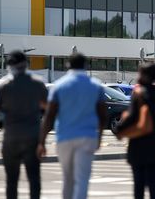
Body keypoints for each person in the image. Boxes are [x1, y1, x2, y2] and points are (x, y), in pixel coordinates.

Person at [37, 53, 107, 199]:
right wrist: (99, 136)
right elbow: (103, 115)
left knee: (67, 178)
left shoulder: (59, 86)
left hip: (64, 136)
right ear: (86, 66)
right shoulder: (96, 86)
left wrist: (41, 141)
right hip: (88, 136)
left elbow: (49, 116)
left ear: (68, 65)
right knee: (82, 179)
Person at [0, 50, 48, 199]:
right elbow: (47, 109)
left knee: (11, 182)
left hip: (11, 138)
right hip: (32, 137)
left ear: (9, 65)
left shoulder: (2, 85)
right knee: (34, 179)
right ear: (26, 64)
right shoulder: (38, 83)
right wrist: (43, 140)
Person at [116, 62, 155, 199]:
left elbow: (133, 117)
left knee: (139, 187)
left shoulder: (139, 93)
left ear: (144, 75)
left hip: (140, 147)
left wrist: (120, 129)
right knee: (154, 186)